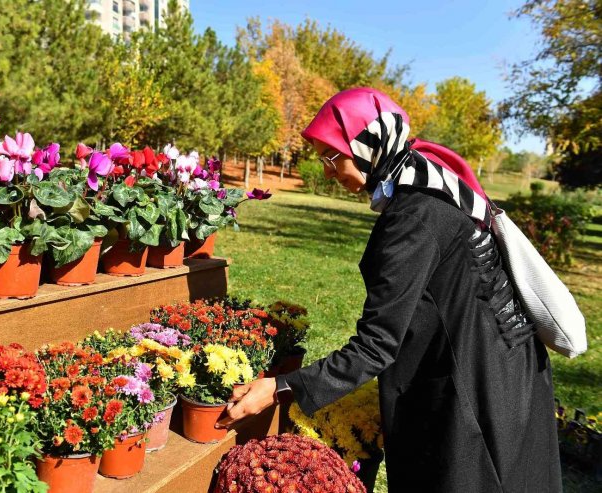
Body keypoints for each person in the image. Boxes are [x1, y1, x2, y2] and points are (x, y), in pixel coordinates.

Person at [217, 88, 562, 492]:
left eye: (331, 156)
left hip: (474, 392)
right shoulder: (434, 188)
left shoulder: (413, 219)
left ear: (368, 147)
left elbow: (377, 345)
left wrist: (279, 387)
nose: (327, 171)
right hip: (507, 370)